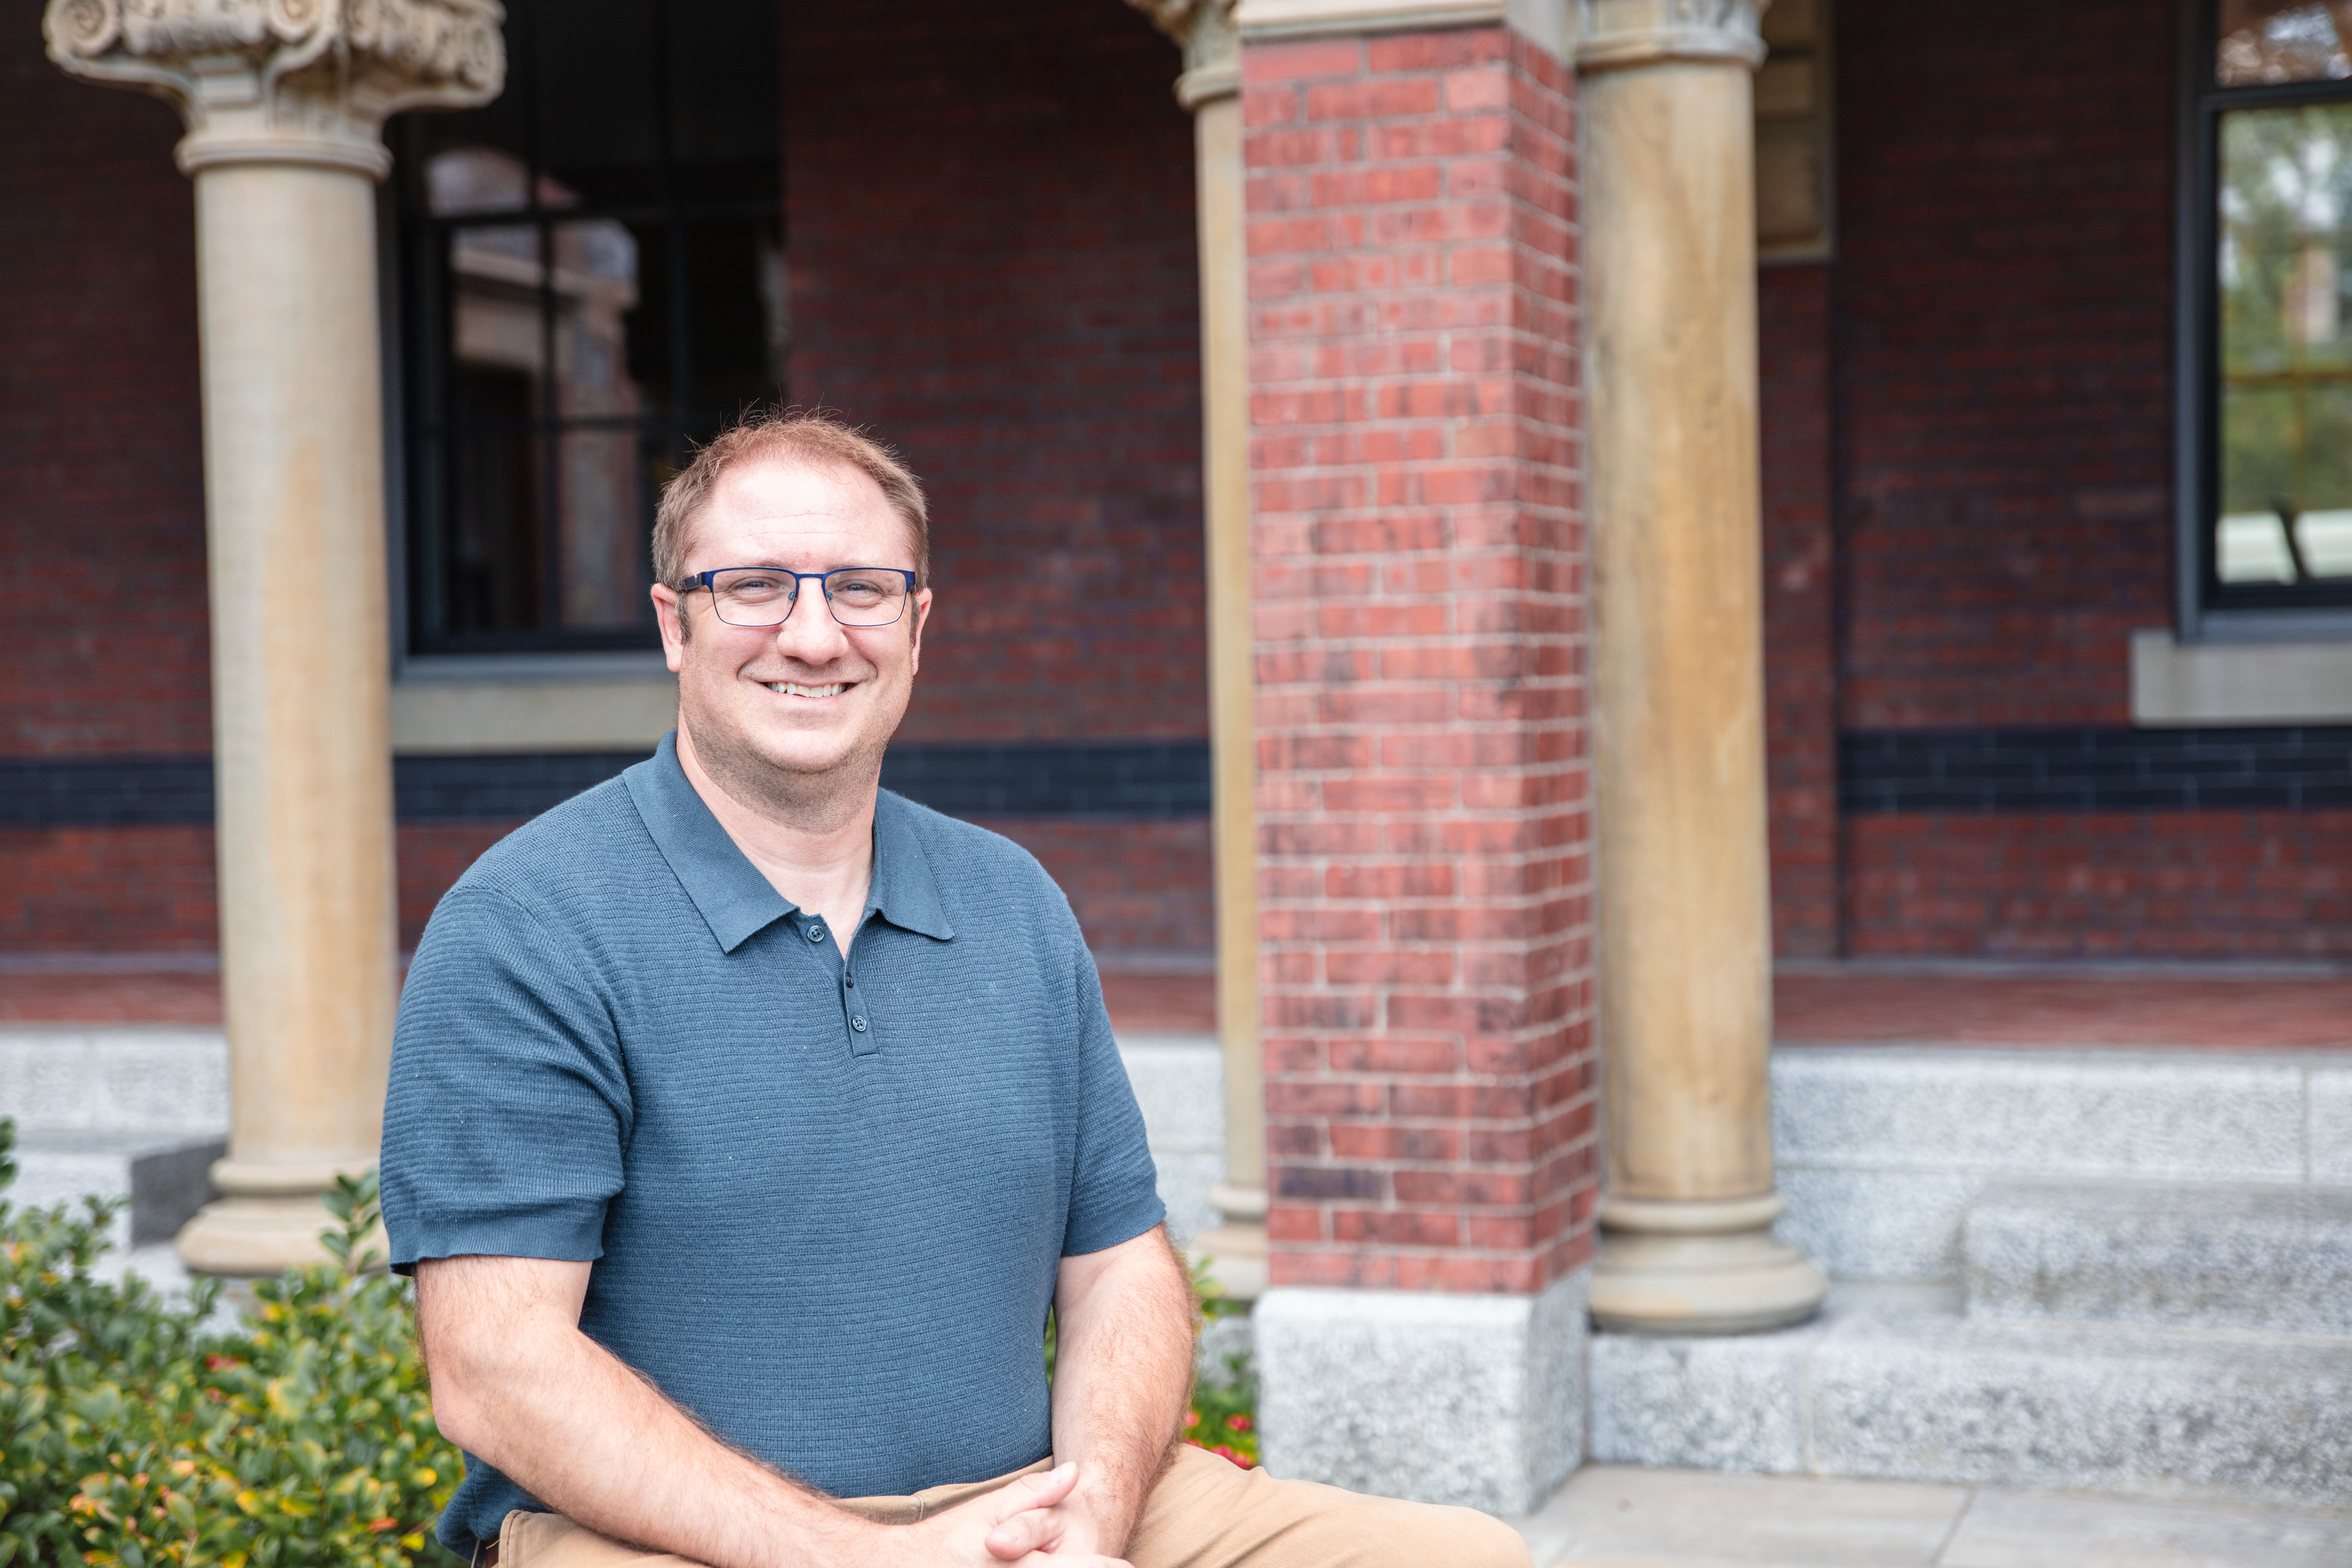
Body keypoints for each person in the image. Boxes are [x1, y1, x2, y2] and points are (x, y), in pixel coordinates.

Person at [381, 410, 1535, 1568]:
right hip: (660, 1538)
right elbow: (496, 1372)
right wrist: (869, 1559)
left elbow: (1120, 1264)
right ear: (674, 623)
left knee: (1468, 1559)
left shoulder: (1011, 898)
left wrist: (1087, 1522)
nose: (815, 635)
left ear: (918, 627)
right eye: (756, 587)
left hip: (1022, 1510)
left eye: (862, 591)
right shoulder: (527, 924)